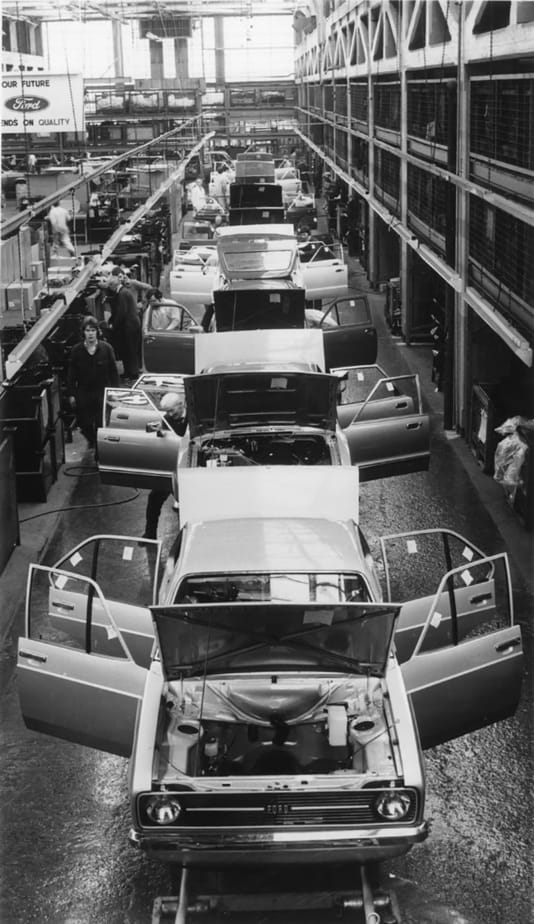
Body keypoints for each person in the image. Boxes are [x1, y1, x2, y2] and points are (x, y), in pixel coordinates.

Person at [67, 315, 119, 451]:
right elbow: (71, 375)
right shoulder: (76, 351)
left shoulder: (107, 349)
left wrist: (115, 392)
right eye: (87, 330)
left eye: (93, 330)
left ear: (97, 332)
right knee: (84, 423)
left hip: (102, 392)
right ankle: (92, 440)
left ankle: (99, 450)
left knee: (101, 423)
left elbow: (114, 372)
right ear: (83, 332)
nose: (90, 333)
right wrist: (72, 394)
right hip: (84, 393)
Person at [143, 393, 188, 540]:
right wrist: (158, 432)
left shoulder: (194, 417)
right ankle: (149, 535)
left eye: (171, 410)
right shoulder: (166, 419)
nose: (169, 414)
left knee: (188, 504)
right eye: (166, 411)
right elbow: (150, 428)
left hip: (188, 469)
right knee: (154, 498)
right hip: (171, 467)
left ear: (181, 405)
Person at [106, 266, 141, 382]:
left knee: (130, 350)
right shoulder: (123, 293)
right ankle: (129, 372)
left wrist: (114, 326)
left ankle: (133, 373)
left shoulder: (122, 294)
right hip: (130, 325)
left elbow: (121, 313)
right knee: (129, 350)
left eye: (110, 286)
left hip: (129, 327)